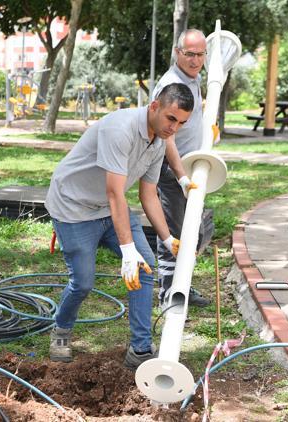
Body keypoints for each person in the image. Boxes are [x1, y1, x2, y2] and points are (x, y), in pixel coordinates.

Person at [45, 83, 194, 368]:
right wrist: (128, 252)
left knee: (145, 266)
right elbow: (115, 192)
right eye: (171, 118)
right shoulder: (120, 129)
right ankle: (61, 331)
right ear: (154, 107)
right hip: (73, 208)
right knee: (83, 282)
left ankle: (139, 350)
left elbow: (148, 194)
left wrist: (167, 239)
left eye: (181, 123)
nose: (174, 128)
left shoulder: (159, 140)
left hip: (109, 208)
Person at [152, 28, 213, 308]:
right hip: (172, 170)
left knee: (196, 232)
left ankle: (184, 283)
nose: (195, 60)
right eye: (189, 54)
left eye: (200, 54)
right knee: (174, 233)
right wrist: (181, 176)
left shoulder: (194, 77)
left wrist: (206, 133)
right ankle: (169, 293)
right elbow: (168, 138)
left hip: (193, 168)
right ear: (178, 52)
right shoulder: (171, 85)